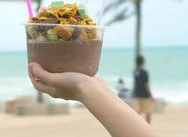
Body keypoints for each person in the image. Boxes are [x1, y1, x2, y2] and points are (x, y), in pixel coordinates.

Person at [28, 62, 158, 137]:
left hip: (139, 94)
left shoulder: (137, 72)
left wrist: (84, 88)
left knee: (143, 111)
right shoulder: (142, 72)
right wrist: (96, 88)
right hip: (142, 95)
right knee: (145, 112)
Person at [134, 56, 153, 124]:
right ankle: (148, 127)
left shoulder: (135, 72)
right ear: (143, 62)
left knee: (139, 111)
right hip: (145, 95)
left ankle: (137, 125)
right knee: (148, 112)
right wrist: (151, 95)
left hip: (138, 94)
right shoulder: (145, 72)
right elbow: (146, 85)